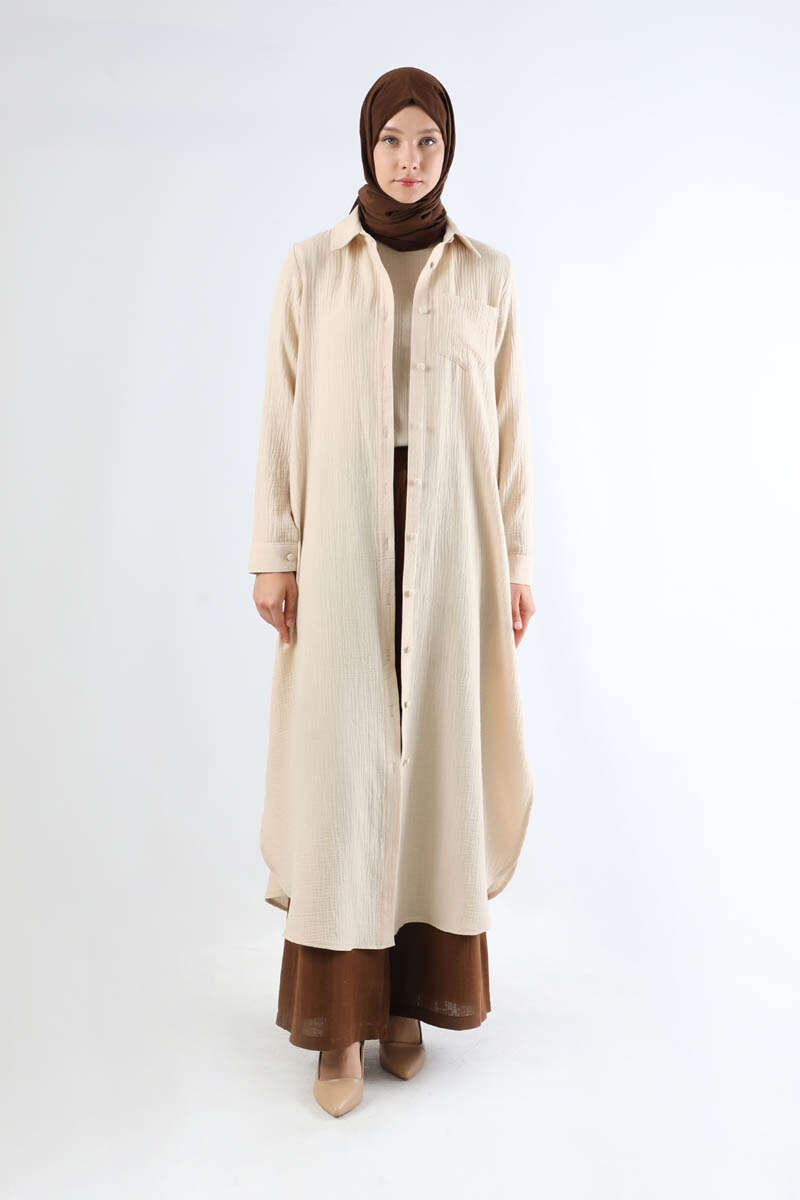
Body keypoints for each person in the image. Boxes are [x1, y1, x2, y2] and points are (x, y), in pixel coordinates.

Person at [248, 66, 536, 1117]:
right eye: (391, 141)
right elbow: (281, 414)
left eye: (426, 143)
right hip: (342, 538)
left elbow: (508, 434)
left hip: (452, 540)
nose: (408, 161)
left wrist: (516, 563)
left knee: (434, 765)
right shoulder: (312, 269)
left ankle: (406, 999)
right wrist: (274, 551)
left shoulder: (487, 275)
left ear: (447, 152)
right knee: (344, 767)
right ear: (366, 147)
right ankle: (339, 1027)